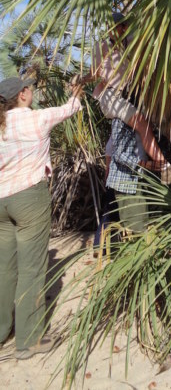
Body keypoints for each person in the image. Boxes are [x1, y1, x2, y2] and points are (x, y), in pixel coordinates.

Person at [0, 75, 83, 359]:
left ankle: (2, 331)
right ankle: (29, 339)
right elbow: (70, 108)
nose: (32, 91)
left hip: (1, 202)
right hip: (29, 198)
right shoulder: (37, 119)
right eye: (30, 88)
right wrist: (76, 91)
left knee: (4, 268)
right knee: (32, 268)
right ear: (22, 94)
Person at [78, 11, 166, 168]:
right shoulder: (102, 47)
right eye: (108, 27)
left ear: (124, 28)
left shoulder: (132, 42)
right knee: (141, 123)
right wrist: (82, 80)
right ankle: (163, 164)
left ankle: (108, 189)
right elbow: (94, 74)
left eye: (114, 27)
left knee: (115, 142)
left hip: (130, 94)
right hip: (110, 96)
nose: (109, 31)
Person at [106, 118, 171, 234]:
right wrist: (145, 164)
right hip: (127, 182)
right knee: (136, 229)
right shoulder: (122, 118)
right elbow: (119, 154)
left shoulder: (149, 117)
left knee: (147, 225)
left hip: (142, 178)